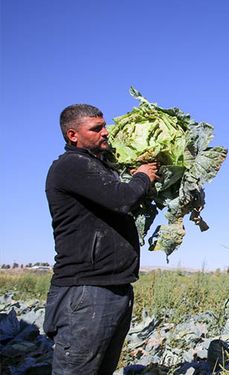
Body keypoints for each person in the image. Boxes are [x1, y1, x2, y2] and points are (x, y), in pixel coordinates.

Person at [43, 104, 158, 374]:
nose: (106, 133)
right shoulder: (72, 165)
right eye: (96, 129)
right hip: (86, 291)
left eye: (104, 126)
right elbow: (122, 198)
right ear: (73, 135)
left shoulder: (100, 169)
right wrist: (142, 175)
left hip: (114, 287)